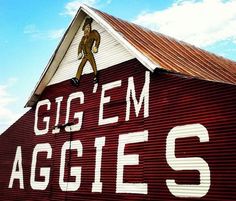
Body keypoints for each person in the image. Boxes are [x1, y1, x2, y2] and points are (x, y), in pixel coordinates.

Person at [71, 17, 101, 87]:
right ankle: (77, 79)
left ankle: (96, 75)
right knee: (81, 65)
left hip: (89, 52)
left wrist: (96, 46)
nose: (88, 29)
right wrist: (79, 53)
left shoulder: (93, 33)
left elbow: (97, 38)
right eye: (86, 27)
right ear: (84, 29)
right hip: (85, 54)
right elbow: (80, 46)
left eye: (89, 27)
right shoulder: (83, 38)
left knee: (93, 63)